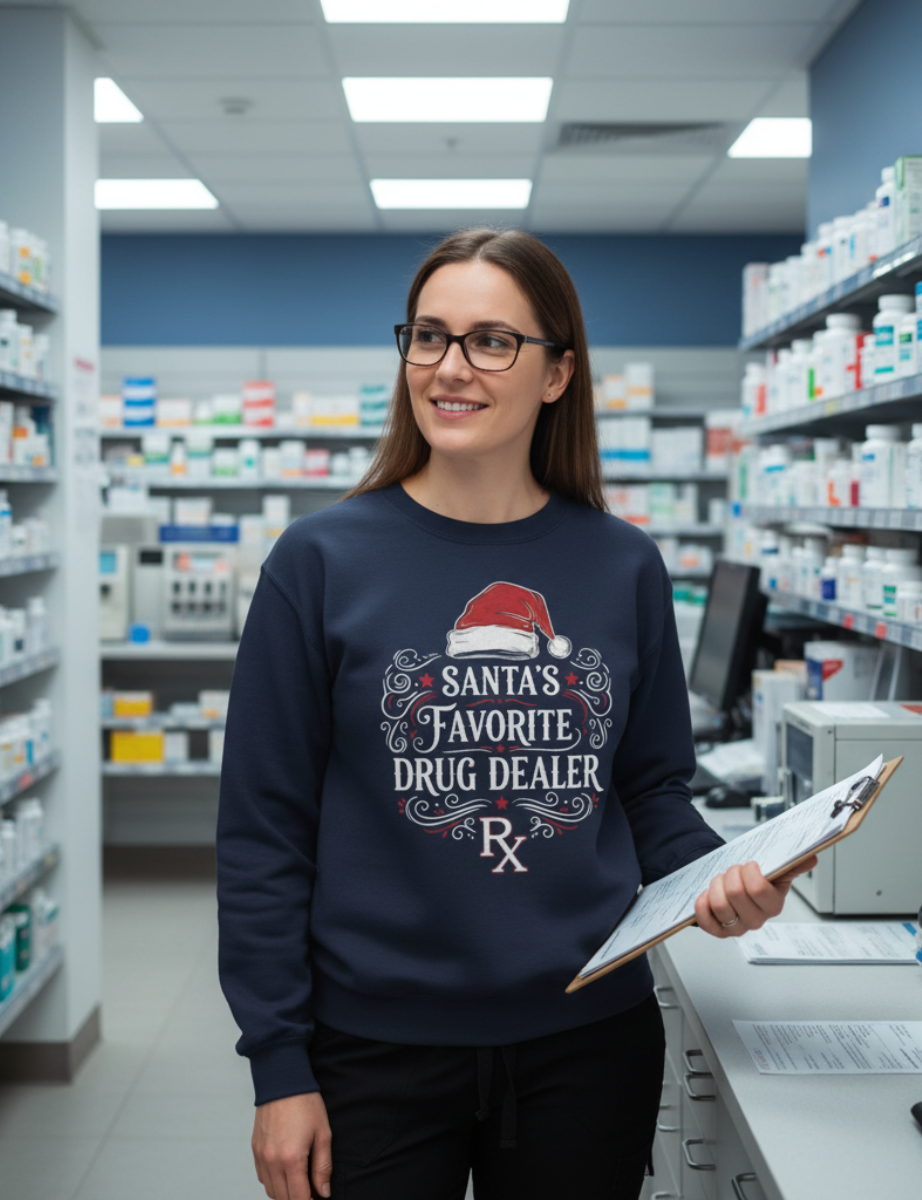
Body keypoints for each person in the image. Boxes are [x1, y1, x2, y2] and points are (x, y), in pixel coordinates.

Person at [217, 227, 813, 1200]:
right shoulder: (319, 564)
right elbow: (263, 834)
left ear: (557, 373)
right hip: (372, 1049)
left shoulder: (622, 564)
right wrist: (278, 1064)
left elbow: (650, 790)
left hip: (588, 1043)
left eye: (491, 341)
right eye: (429, 336)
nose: (451, 367)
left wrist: (724, 876)